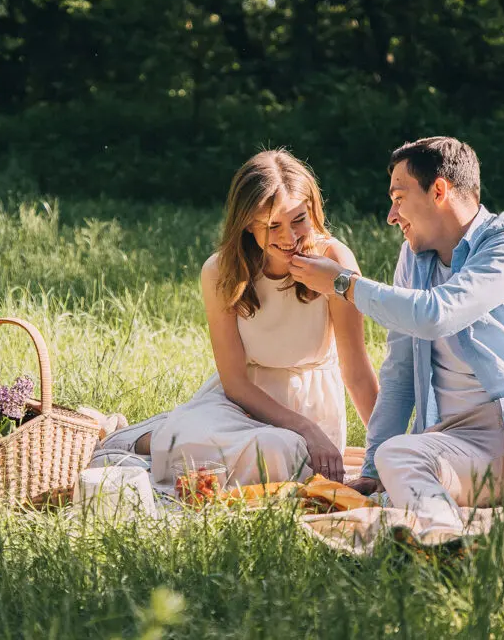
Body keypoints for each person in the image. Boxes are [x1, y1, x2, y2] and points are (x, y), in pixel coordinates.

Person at [288, 136, 504, 538]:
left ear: (438, 190)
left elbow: (439, 314)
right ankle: (447, 537)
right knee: (393, 454)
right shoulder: (412, 260)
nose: (390, 215)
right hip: (466, 451)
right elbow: (400, 372)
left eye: (398, 198)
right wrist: (369, 470)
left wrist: (346, 285)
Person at [93, 149, 379, 489]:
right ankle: (138, 438)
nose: (289, 238)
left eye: (298, 220)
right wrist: (305, 429)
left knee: (281, 453)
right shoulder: (221, 272)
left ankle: (175, 432)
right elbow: (235, 384)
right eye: (273, 226)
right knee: (263, 449)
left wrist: (383, 452)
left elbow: (357, 371)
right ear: (247, 225)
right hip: (240, 404)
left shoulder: (335, 262)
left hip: (311, 408)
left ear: (313, 209)